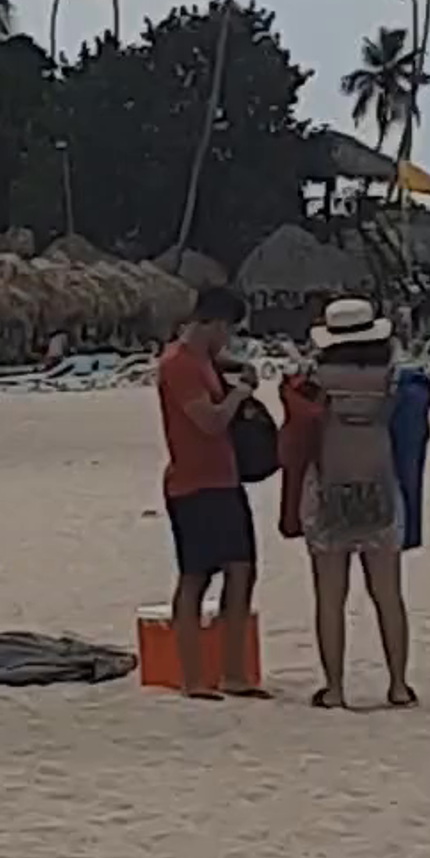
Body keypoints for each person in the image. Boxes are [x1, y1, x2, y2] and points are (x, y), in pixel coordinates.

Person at [292, 295, 427, 702]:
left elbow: (296, 431)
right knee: (388, 595)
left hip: (329, 489)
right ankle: (399, 685)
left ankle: (334, 688)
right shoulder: (394, 380)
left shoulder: (313, 381)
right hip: (381, 487)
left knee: (330, 599)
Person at [153, 277, 258, 692]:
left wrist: (234, 372)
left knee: (241, 570)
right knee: (195, 576)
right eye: (227, 329)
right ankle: (193, 676)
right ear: (213, 323)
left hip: (224, 478)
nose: (228, 338)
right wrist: (240, 396)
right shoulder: (178, 364)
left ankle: (233, 673)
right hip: (193, 483)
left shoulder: (203, 359)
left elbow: (218, 365)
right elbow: (209, 421)